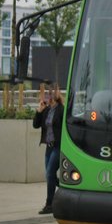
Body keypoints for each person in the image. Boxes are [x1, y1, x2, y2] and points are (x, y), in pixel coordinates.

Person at [32, 86, 65, 214]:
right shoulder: (46, 110)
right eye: (47, 94)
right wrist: (39, 111)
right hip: (49, 147)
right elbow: (35, 125)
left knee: (50, 173)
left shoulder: (61, 110)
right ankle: (68, 188)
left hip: (58, 146)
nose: (48, 96)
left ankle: (49, 204)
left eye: (50, 94)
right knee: (49, 175)